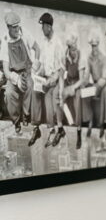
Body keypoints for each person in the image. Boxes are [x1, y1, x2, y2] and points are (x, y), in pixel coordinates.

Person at [1, 12, 34, 140]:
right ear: (8, 27)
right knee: (9, 93)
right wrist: (16, 79)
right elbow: (6, 70)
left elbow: (36, 47)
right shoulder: (5, 43)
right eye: (13, 27)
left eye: (17, 26)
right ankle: (16, 121)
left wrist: (37, 61)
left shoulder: (24, 34)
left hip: (26, 71)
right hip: (13, 74)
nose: (16, 29)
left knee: (29, 86)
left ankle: (26, 115)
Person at [34, 13, 64, 148]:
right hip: (46, 79)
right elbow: (42, 65)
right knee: (40, 95)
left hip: (57, 80)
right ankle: (50, 129)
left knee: (52, 98)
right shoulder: (44, 43)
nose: (42, 29)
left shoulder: (57, 44)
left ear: (49, 27)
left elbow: (59, 70)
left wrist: (50, 81)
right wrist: (37, 75)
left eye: (43, 27)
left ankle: (59, 129)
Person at [60, 35, 87, 149]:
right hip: (69, 81)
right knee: (60, 98)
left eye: (76, 48)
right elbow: (61, 76)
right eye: (73, 49)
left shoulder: (81, 57)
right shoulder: (65, 57)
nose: (75, 51)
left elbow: (81, 80)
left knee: (77, 100)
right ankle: (62, 127)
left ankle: (79, 131)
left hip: (78, 83)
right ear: (69, 49)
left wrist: (72, 88)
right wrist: (62, 90)